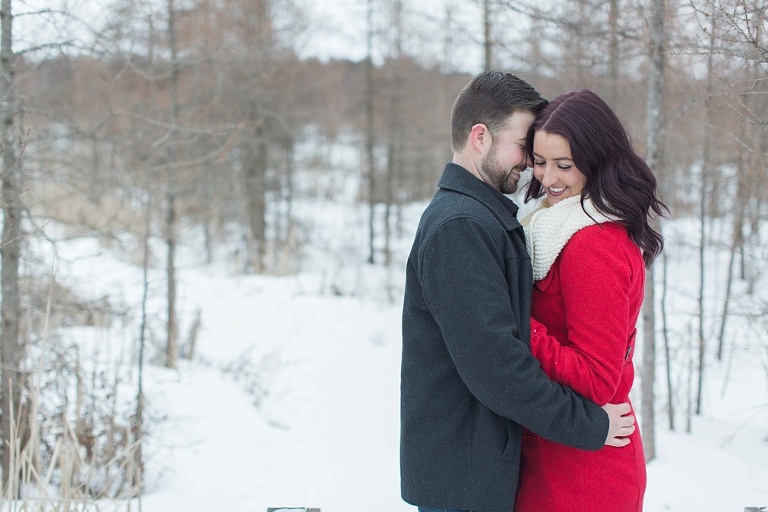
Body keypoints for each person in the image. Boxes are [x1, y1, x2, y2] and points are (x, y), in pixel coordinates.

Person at [400, 71, 636, 512]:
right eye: (523, 147)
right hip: (464, 480)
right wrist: (589, 425)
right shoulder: (461, 226)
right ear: (480, 137)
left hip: (480, 472)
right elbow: (497, 369)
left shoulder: (486, 218)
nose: (530, 164)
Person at [514, 89, 668, 512]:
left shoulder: (592, 244)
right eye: (540, 162)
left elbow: (597, 378)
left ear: (597, 158)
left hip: (585, 472)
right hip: (558, 448)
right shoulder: (554, 224)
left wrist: (513, 323)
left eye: (564, 165)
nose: (548, 178)